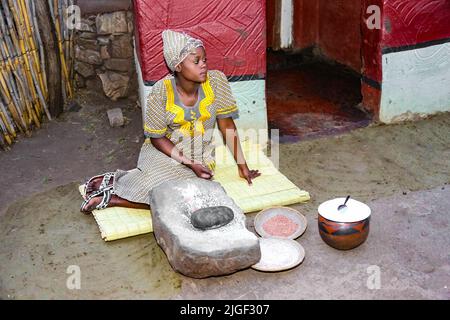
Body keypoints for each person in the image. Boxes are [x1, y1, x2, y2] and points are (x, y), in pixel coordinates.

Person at [80, 29, 261, 213]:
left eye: (204, 60)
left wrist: (242, 166)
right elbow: (157, 138)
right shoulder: (161, 91)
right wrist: (189, 163)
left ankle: (114, 197)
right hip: (165, 151)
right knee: (160, 188)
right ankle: (117, 188)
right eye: (196, 61)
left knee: (187, 197)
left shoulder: (216, 82)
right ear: (178, 66)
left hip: (200, 154)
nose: (203, 65)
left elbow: (227, 126)